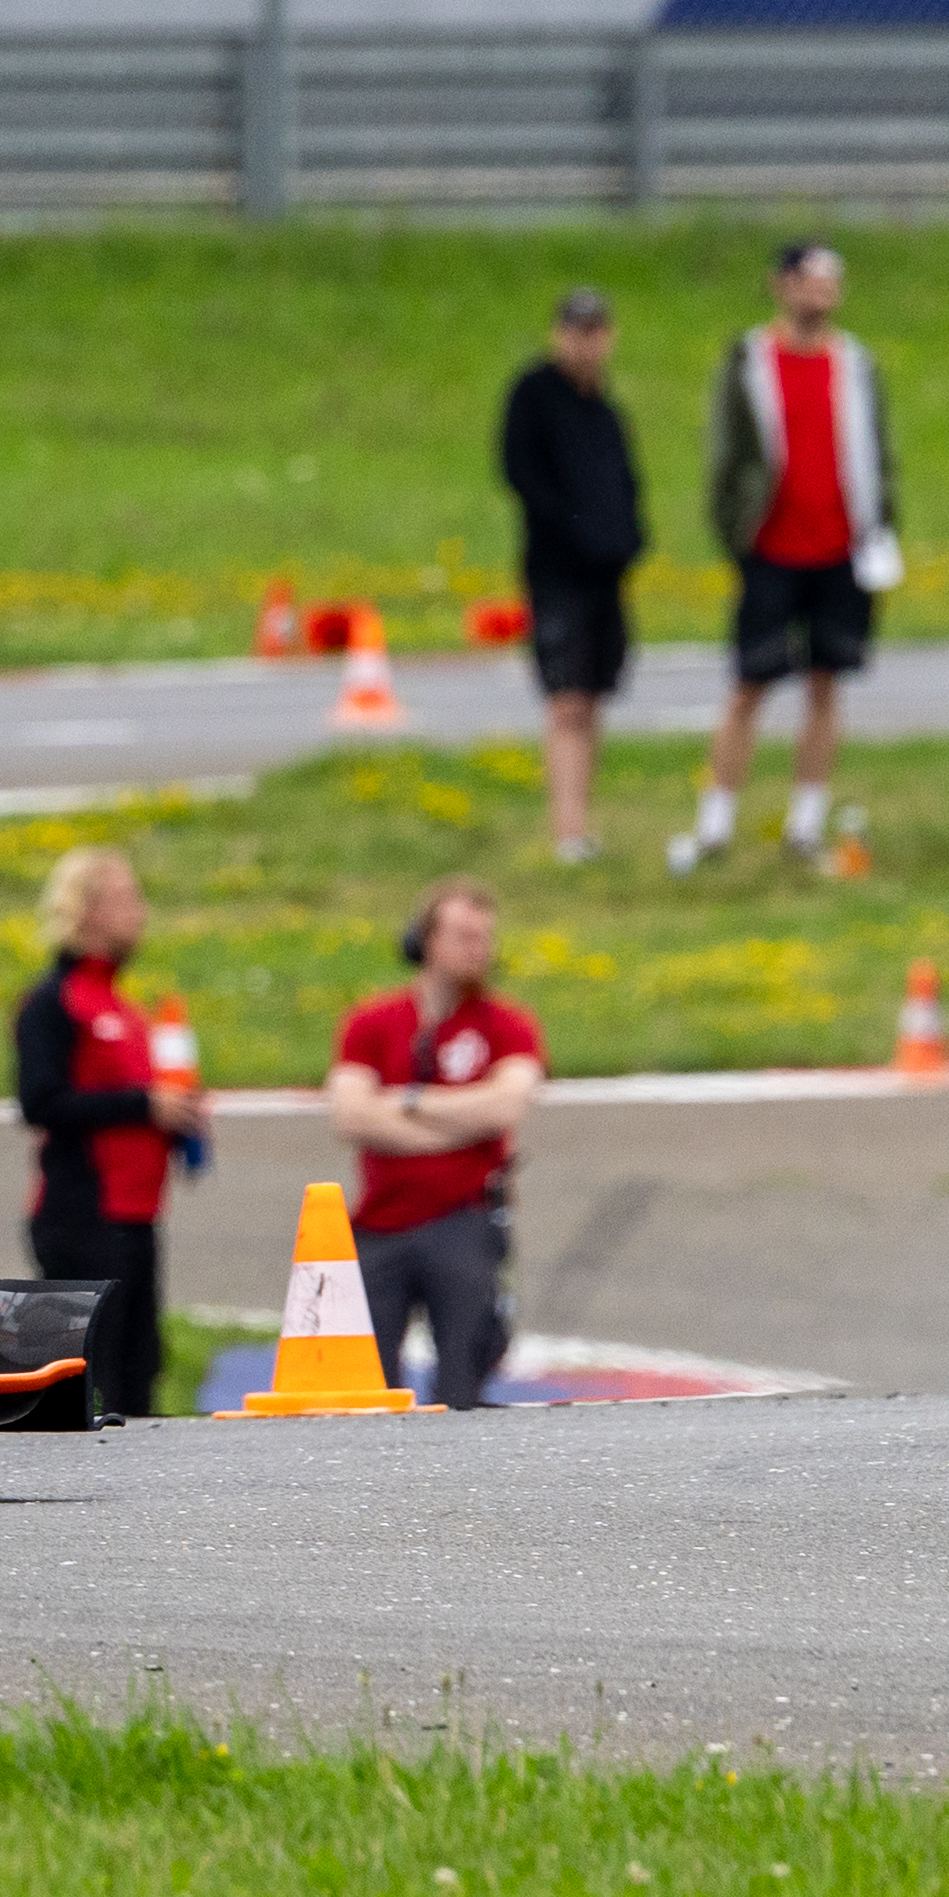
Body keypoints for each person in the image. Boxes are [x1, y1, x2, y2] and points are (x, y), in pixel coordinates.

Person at [670, 241, 903, 874]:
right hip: (771, 547)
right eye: (807, 281)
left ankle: (806, 821)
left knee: (826, 683)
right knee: (749, 684)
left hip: (840, 546)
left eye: (830, 283)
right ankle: (716, 821)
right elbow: (727, 454)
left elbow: (878, 451)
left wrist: (881, 528)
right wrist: (735, 532)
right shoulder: (751, 360)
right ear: (782, 286)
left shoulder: (856, 364)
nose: (818, 295)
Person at [324, 877, 543, 1411]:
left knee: (465, 1376)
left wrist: (407, 1102)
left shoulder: (507, 1025)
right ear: (426, 941)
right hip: (382, 1221)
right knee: (369, 1383)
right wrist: (456, 1127)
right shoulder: (373, 1022)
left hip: (463, 1218)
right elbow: (351, 1115)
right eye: (464, 935)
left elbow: (506, 1106)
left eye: (484, 936)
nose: (478, 949)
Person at [13, 846, 208, 1419]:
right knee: (95, 1374)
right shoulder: (54, 1002)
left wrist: (179, 1118)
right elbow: (40, 1101)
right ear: (86, 910)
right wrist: (147, 1104)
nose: (140, 913)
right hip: (82, 1213)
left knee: (141, 1365)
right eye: (126, 899)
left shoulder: (127, 1007)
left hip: (137, 1216)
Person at [496, 285, 645, 865]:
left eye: (597, 331)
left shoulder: (605, 407)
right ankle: (568, 829)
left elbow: (624, 482)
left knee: (595, 695)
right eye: (576, 331)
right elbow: (521, 472)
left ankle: (583, 820)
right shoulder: (535, 395)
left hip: (607, 571)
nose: (587, 343)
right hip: (560, 571)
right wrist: (574, 533)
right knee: (567, 699)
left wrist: (629, 539)